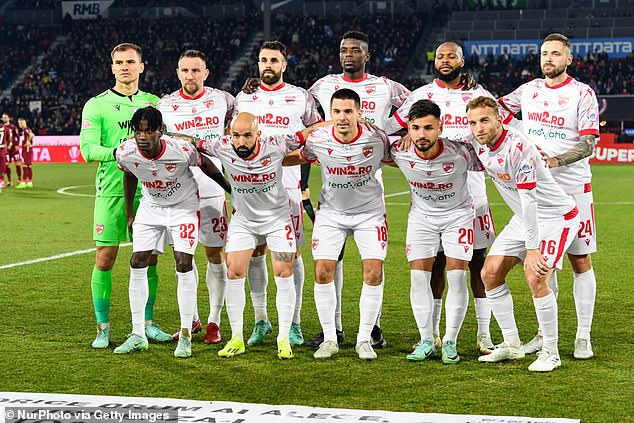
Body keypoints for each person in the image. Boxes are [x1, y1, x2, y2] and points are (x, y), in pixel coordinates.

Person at [385, 42, 499, 354]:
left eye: (451, 56)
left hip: (471, 188)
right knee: (432, 265)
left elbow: (495, 131)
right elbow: (390, 129)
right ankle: (432, 336)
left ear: (463, 60)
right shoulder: (420, 95)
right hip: (427, 186)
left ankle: (483, 335)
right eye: (440, 56)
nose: (445, 61)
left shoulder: (479, 95)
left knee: (476, 264)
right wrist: (405, 135)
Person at [175, 112, 319, 359]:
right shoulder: (221, 146)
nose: (241, 142)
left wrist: (332, 123)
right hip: (244, 222)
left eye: (247, 136)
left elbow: (305, 134)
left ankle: (283, 338)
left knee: (284, 272)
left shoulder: (277, 145)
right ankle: (236, 337)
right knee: (234, 272)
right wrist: (164, 135)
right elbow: (193, 141)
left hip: (277, 221)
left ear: (258, 134)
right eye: (236, 136)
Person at [305, 31, 410, 349]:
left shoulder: (386, 85)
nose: (348, 54)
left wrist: (393, 132)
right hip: (333, 174)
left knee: (372, 263)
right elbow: (300, 107)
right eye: (343, 50)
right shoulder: (322, 85)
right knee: (329, 261)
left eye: (355, 50)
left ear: (367, 54)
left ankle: (372, 328)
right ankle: (332, 331)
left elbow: (414, 103)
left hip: (370, 175)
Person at [498, 33, 599, 360]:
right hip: (539, 193)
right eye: (545, 53)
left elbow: (589, 143)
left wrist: (555, 160)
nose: (549, 59)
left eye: (556, 54)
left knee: (580, 261)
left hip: (574, 189)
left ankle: (583, 337)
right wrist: (520, 137)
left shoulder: (582, 94)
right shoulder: (529, 90)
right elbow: (498, 110)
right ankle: (545, 335)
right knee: (544, 266)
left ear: (568, 59)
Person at [466, 96, 579, 372]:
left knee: (536, 275)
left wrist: (532, 248)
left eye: (484, 120)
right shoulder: (477, 144)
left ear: (499, 119)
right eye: (473, 122)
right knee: (489, 273)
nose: (478, 127)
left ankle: (551, 351)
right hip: (524, 218)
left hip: (556, 217)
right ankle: (512, 344)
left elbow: (530, 200)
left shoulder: (519, 148)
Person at [113, 106, 230, 358]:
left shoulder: (181, 149)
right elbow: (130, 175)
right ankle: (137, 334)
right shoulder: (125, 152)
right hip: (151, 207)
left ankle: (186, 335)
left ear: (161, 131)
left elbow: (207, 165)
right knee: (137, 261)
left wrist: (231, 191)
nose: (142, 137)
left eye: (148, 131)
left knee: (183, 263)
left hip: (183, 208)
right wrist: (130, 213)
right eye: (138, 131)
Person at [80, 43, 171, 348]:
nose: (124, 67)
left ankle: (147, 323)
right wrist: (123, 152)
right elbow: (88, 150)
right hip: (111, 193)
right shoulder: (96, 105)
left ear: (141, 66)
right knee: (105, 258)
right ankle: (102, 327)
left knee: (151, 260)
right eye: (119, 62)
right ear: (112, 67)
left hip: (149, 193)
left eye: (130, 62)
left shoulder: (155, 103)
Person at [290, 89, 391, 360]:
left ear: (360, 113)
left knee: (373, 272)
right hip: (331, 214)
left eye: (348, 111)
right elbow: (300, 156)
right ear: (330, 114)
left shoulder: (376, 138)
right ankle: (330, 339)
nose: (343, 117)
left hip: (370, 214)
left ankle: (364, 340)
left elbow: (401, 155)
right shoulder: (319, 139)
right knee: (323, 271)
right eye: (337, 112)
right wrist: (260, 162)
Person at [234, 40, 321, 348]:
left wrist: (303, 161)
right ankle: (261, 320)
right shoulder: (244, 97)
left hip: (287, 191)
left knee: (292, 255)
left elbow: (319, 129)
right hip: (250, 191)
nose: (267, 64)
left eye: (274, 60)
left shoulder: (301, 97)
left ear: (285, 64)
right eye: (263, 60)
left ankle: (294, 322)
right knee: (255, 253)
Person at [388, 99, 482, 364]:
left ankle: (450, 340)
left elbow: (494, 161)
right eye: (415, 128)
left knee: (457, 277)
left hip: (458, 217)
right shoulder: (399, 151)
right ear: (408, 128)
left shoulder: (461, 153)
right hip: (421, 219)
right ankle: (427, 339)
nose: (421, 134)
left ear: (440, 128)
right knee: (419, 279)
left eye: (428, 128)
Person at [157, 49, 235, 345]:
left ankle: (214, 320)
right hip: (180, 193)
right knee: (182, 258)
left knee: (215, 255)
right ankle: (190, 319)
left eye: (195, 70)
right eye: (185, 70)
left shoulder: (224, 99)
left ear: (206, 73)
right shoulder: (165, 104)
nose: (190, 75)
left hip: (214, 190)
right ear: (177, 72)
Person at [1, 113, 20, 188]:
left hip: (14, 149)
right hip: (6, 150)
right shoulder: (2, 128)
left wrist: (17, 145)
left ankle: (20, 180)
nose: (4, 119)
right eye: (3, 118)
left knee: (17, 164)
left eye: (5, 117)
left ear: (9, 118)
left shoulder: (13, 127)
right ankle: (9, 181)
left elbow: (17, 136)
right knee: (7, 165)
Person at [17, 118, 34, 188]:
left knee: (24, 166)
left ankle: (23, 182)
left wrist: (28, 142)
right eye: (19, 123)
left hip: (26, 150)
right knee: (29, 166)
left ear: (24, 122)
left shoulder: (26, 129)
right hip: (28, 150)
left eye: (21, 123)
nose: (19, 124)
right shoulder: (27, 129)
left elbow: (32, 135)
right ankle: (30, 182)